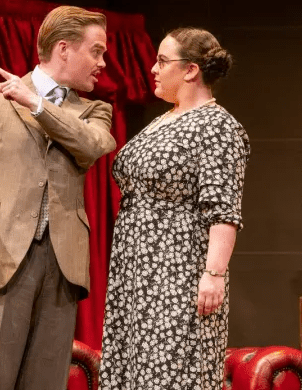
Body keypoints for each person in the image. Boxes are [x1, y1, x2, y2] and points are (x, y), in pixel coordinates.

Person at [0, 5, 117, 390]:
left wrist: (37, 103)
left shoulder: (94, 110)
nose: (103, 63)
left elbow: (93, 146)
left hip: (62, 266)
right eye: (96, 51)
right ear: (64, 48)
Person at [99, 28, 250, 390]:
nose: (153, 69)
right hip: (137, 272)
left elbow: (224, 209)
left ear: (190, 70)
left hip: (178, 272)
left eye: (162, 61)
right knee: (132, 372)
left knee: (172, 372)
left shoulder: (217, 126)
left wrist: (213, 274)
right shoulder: (164, 119)